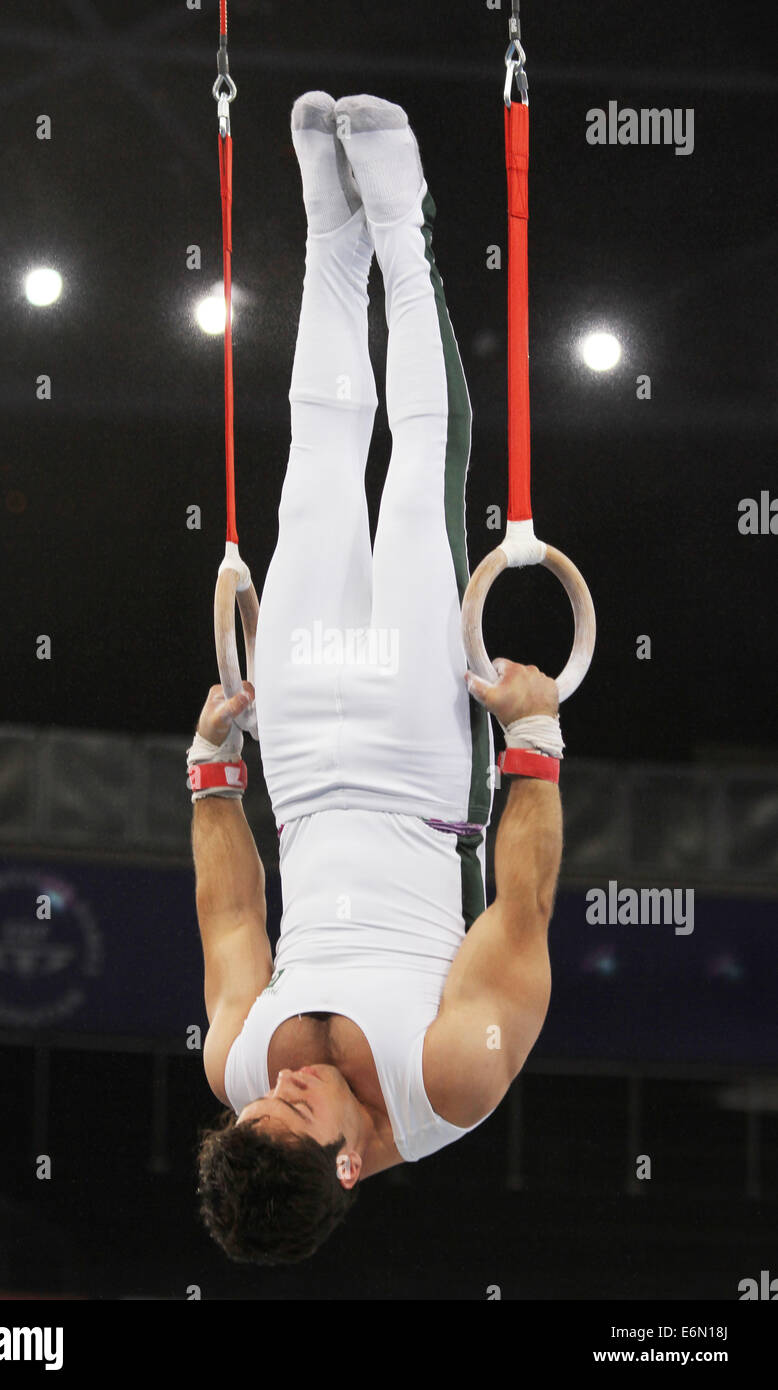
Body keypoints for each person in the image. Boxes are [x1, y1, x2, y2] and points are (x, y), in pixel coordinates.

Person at [189, 93, 564, 1265]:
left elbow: (234, 913)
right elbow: (521, 910)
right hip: (415, 765)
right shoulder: (453, 1077)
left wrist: (211, 769)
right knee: (415, 486)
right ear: (350, 1158)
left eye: (265, 1095)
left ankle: (328, 231)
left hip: (298, 768)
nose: (287, 1075)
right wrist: (535, 745)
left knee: (313, 462)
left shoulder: (238, 1060)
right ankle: (401, 228)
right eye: (301, 1104)